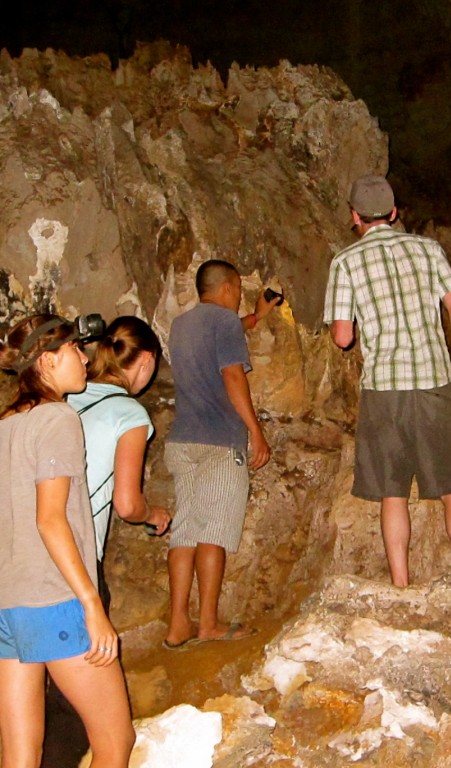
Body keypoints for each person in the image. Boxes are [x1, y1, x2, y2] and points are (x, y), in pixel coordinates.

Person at [0, 314, 135, 768]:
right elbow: (51, 521)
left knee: (20, 755)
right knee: (115, 742)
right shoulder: (57, 417)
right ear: (47, 360)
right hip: (52, 602)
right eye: (76, 350)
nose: (83, 358)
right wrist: (92, 605)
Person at [323, 174, 451, 598]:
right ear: (395, 213)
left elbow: (343, 337)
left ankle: (401, 588)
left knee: (392, 494)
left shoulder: (345, 262)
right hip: (436, 383)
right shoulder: (428, 249)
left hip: (385, 390)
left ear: (355, 217)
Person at [41, 315, 172, 768]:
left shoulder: (64, 402)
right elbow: (127, 502)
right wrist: (154, 515)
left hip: (26, 566)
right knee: (80, 714)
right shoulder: (130, 413)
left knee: (38, 704)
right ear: (146, 361)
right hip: (74, 563)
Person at [162, 260, 280, 649]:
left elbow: (218, 341)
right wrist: (256, 431)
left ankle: (178, 623)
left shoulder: (182, 325)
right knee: (213, 532)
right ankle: (209, 623)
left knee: (185, 533)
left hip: (182, 442)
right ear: (229, 287)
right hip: (218, 441)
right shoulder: (224, 323)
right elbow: (232, 375)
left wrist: (255, 318)